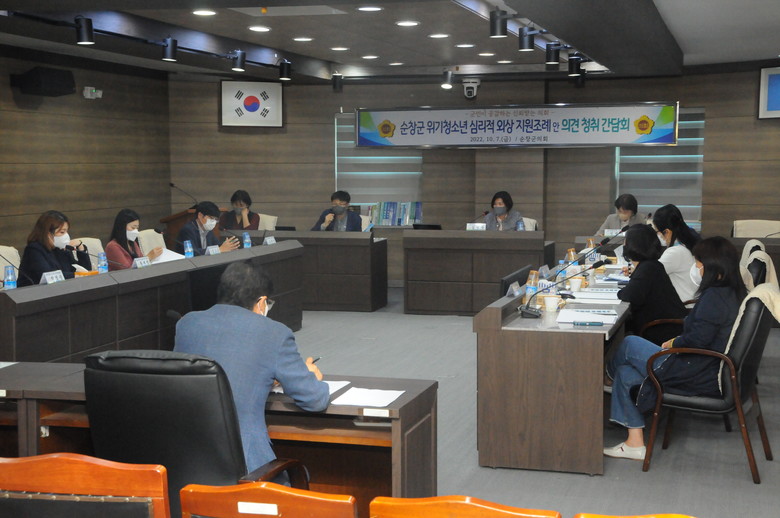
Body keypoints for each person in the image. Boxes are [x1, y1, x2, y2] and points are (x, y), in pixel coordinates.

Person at [174, 261, 329, 472]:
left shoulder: (187, 323)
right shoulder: (275, 332)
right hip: (247, 468)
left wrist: (264, 376)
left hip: (186, 463)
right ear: (262, 302)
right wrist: (310, 376)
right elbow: (315, 400)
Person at [604, 236, 745, 460]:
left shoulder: (715, 298)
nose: (696, 269)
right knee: (626, 372)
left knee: (629, 343)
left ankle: (604, 379)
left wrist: (673, 343)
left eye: (698, 263)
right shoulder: (730, 291)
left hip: (695, 368)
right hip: (704, 365)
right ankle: (634, 443)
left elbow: (697, 340)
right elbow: (702, 334)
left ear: (712, 266)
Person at [617, 224, 687, 345]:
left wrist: (620, 292)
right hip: (666, 328)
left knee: (620, 342)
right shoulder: (651, 265)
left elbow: (630, 296)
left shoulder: (647, 268)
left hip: (662, 334)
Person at [18, 210, 92, 286]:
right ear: (47, 233)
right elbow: (48, 276)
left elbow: (86, 271)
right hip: (35, 292)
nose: (66, 236)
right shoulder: (34, 250)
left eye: (67, 231)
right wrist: (76, 275)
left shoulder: (61, 249)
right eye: (62, 232)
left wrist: (81, 247)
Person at [653, 204, 701, 304]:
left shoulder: (675, 252)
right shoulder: (688, 242)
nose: (658, 236)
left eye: (658, 232)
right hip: (692, 304)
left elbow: (650, 274)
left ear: (667, 232)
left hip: (684, 307)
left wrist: (633, 269)